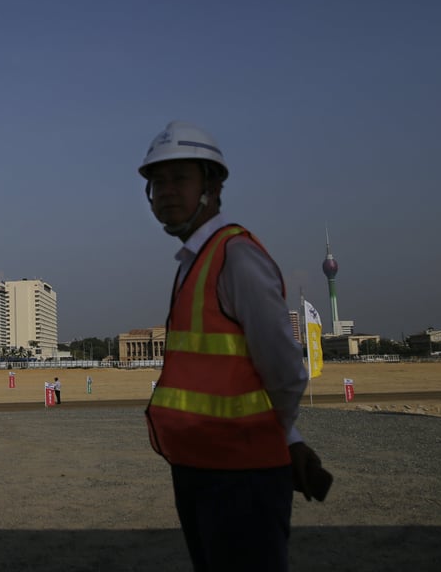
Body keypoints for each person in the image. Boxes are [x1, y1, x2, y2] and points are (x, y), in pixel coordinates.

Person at [138, 121, 331, 571]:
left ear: (213, 184)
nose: (165, 192)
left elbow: (284, 370)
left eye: (179, 179)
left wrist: (279, 437)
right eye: (157, 183)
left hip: (240, 476)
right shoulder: (193, 261)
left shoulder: (237, 257)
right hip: (199, 469)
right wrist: (290, 438)